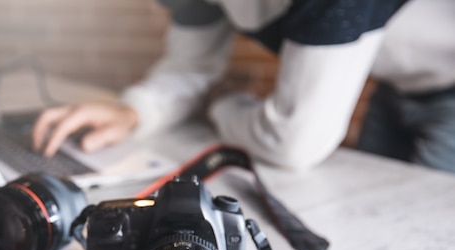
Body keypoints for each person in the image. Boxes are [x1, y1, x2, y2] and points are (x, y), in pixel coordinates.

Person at [33, 0, 455, 174]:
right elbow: (191, 65)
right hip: (396, 84)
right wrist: (133, 110)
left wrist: (217, 103)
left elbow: (294, 142)